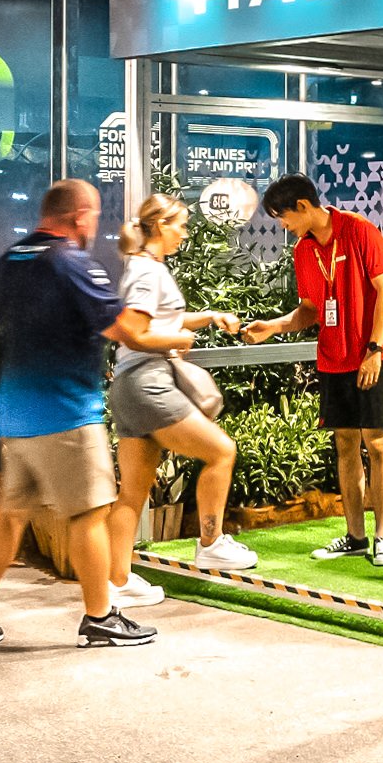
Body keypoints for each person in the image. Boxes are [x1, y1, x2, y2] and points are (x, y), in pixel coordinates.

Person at [0, 177, 155, 649]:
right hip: (66, 411)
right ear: (80, 216)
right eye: (93, 216)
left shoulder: (11, 260)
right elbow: (126, 329)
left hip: (15, 413)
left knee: (9, 516)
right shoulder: (72, 263)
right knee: (90, 513)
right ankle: (100, 617)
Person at [240, 173, 383, 568]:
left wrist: (375, 349)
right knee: (345, 443)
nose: (283, 225)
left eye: (284, 217)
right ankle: (355, 535)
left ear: (303, 206)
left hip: (372, 355)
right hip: (333, 358)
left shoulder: (359, 231)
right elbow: (311, 309)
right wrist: (274, 327)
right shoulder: (303, 252)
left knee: (378, 443)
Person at [104, 190, 258, 601]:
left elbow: (157, 318)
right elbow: (134, 331)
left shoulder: (144, 267)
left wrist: (207, 317)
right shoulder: (147, 272)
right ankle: (210, 545)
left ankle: (115, 582)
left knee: (132, 492)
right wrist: (180, 338)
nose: (185, 235)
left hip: (129, 386)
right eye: (182, 225)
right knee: (221, 451)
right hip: (148, 381)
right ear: (161, 226)